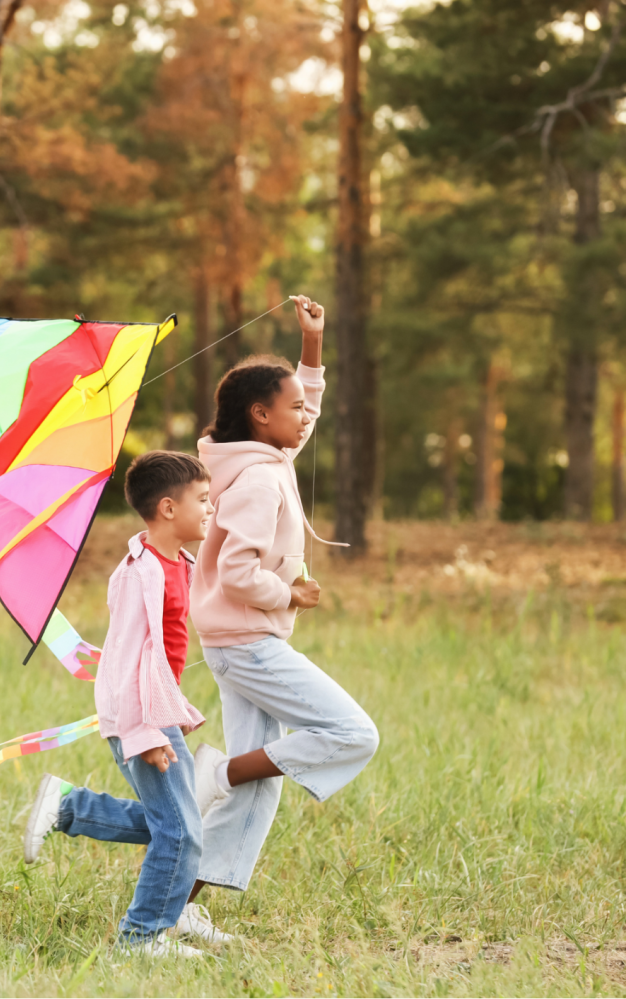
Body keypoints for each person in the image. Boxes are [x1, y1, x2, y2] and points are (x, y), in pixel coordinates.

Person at [186, 294, 380, 925]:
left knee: (257, 790)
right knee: (352, 733)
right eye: (293, 408)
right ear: (259, 414)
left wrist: (313, 346)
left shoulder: (256, 457)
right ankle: (219, 769)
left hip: (237, 639)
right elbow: (240, 574)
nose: (306, 418)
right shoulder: (262, 478)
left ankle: (173, 909)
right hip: (247, 641)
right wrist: (288, 592)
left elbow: (305, 411)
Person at [22, 450, 223, 959]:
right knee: (180, 829)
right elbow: (127, 661)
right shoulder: (140, 574)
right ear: (168, 508)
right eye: (203, 499)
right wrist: (145, 733)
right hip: (139, 716)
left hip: (157, 711)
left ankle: (70, 807)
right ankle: (142, 936)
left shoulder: (180, 564)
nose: (211, 508)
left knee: (173, 823)